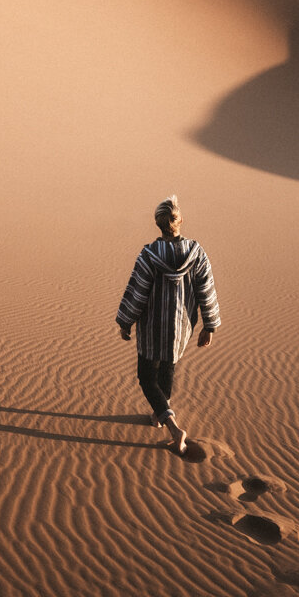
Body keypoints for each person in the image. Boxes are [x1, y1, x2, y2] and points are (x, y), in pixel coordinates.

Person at [116, 194, 220, 454]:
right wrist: (209, 324)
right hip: (180, 326)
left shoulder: (150, 254)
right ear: (180, 220)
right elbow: (206, 289)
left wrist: (126, 321)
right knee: (167, 367)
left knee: (145, 376)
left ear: (158, 224)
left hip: (152, 326)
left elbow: (138, 292)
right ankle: (160, 412)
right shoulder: (196, 253)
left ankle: (172, 425)